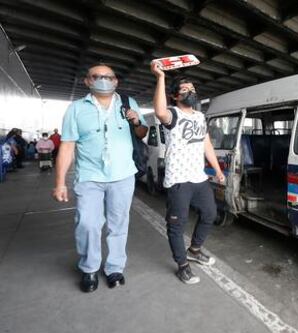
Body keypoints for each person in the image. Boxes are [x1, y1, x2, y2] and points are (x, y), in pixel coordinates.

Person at [52, 63, 148, 293]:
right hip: (89, 176)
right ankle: (89, 268)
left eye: (108, 77)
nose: (103, 80)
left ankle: (115, 267)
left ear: (116, 81)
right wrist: (59, 182)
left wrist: (135, 121)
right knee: (87, 223)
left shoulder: (128, 103)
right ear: (87, 81)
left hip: (123, 175)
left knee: (118, 224)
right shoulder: (76, 109)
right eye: (97, 76)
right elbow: (67, 146)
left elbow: (142, 133)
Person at [151, 61, 225, 285]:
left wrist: (218, 171)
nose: (190, 92)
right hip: (179, 180)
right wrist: (160, 78)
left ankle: (194, 249)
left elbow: (207, 145)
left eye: (192, 89)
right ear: (175, 96)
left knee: (210, 214)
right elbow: (160, 111)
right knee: (177, 224)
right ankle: (182, 265)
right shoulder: (173, 114)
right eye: (184, 90)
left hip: (199, 177)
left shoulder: (200, 117)